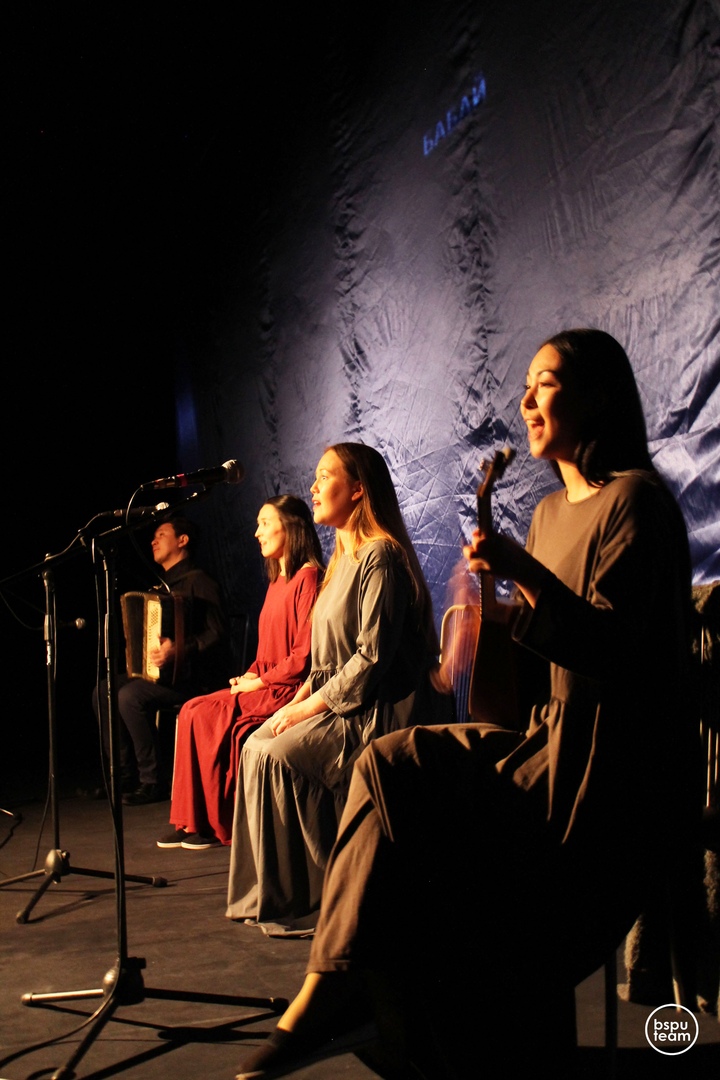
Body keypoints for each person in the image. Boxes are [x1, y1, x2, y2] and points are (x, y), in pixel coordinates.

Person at [233, 329, 697, 1079]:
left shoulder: (635, 502)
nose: (527, 399)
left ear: (596, 398)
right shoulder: (548, 514)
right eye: (526, 384)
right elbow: (542, 665)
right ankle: (334, 983)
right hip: (546, 741)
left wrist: (522, 576)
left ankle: (356, 1002)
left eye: (546, 383)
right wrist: (484, 620)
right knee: (391, 763)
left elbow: (615, 653)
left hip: (605, 770)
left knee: (431, 829)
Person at [226, 442, 444, 929]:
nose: (314, 487)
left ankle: (321, 897)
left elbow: (370, 659)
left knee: (276, 755)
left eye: (326, 477)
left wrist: (305, 711)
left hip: (373, 711)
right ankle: (273, 892)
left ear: (359, 489)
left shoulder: (380, 556)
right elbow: (324, 662)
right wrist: (295, 703)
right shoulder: (341, 562)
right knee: (256, 743)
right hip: (339, 703)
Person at [156, 495, 324, 850]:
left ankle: (212, 823)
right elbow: (267, 651)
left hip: (287, 690)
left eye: (265, 523)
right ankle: (191, 820)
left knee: (205, 716)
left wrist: (259, 682)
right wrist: (248, 676)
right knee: (191, 710)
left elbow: (303, 656)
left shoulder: (308, 579)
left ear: (290, 527)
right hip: (264, 683)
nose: (256, 532)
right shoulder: (277, 582)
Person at [93, 514, 229, 806]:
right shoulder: (161, 588)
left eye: (162, 535)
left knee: (129, 696)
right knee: (104, 690)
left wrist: (179, 650)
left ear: (183, 540)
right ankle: (122, 776)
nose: (153, 541)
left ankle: (153, 780)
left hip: (194, 678)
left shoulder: (200, 581)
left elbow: (218, 633)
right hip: (162, 677)